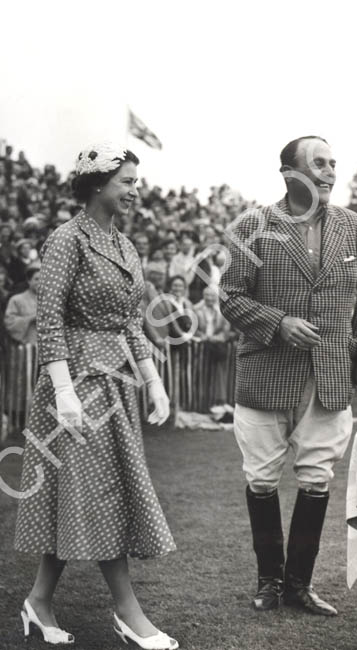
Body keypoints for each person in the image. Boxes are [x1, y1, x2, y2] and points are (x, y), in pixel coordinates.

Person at [14, 142, 178, 650]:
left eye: (136, 180)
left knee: (83, 491)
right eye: (127, 181)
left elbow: (131, 321)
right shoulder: (66, 240)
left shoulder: (125, 246)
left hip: (113, 382)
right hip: (76, 382)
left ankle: (38, 602)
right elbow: (50, 316)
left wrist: (152, 379)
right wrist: (63, 389)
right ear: (97, 184)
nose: (136, 189)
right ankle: (129, 613)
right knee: (101, 489)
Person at [220, 136, 357, 616]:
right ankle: (268, 581)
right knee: (262, 478)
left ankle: (299, 587)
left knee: (316, 480)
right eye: (319, 164)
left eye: (333, 163)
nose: (330, 171)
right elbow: (229, 296)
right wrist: (278, 323)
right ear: (290, 173)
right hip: (266, 373)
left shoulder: (354, 227)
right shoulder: (252, 226)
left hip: (329, 378)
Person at [4, 266, 40, 343]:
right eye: (36, 279)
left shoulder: (50, 301)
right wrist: (30, 318)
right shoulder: (16, 300)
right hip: (26, 346)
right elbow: (9, 323)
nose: (40, 282)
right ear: (29, 281)